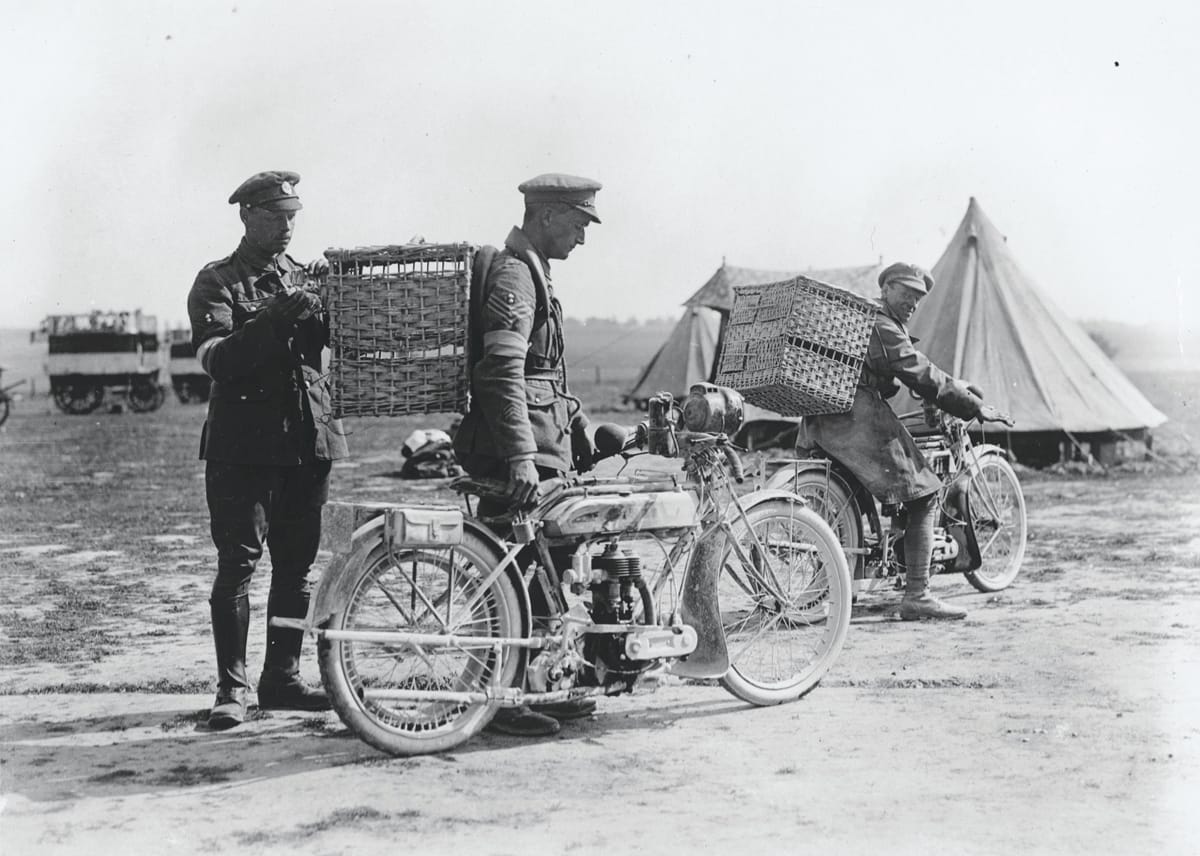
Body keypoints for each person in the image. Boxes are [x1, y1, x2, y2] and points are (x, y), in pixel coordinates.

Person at [187, 170, 349, 729]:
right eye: (276, 215)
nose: (287, 225)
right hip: (245, 449)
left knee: (297, 568)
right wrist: (279, 316)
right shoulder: (217, 283)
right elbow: (219, 361)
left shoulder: (304, 278)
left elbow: (334, 348)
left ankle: (281, 677)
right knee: (237, 565)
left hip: (309, 444)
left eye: (292, 216)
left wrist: (335, 300)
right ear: (247, 216)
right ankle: (231, 690)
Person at [453, 173, 602, 736]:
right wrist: (519, 456)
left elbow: (545, 374)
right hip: (520, 448)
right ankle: (503, 702)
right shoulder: (517, 275)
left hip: (546, 440)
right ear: (547, 216)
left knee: (546, 570)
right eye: (578, 223)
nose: (583, 238)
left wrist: (580, 423)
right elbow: (501, 372)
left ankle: (541, 682)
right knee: (512, 575)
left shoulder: (535, 270)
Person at [800, 261, 1012, 621]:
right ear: (886, 289)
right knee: (925, 492)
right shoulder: (881, 324)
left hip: (819, 423)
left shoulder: (860, 320)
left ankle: (830, 581)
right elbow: (917, 369)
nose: (913, 303)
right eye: (907, 294)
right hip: (855, 420)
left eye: (918, 298)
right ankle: (918, 594)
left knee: (854, 497)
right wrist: (973, 406)